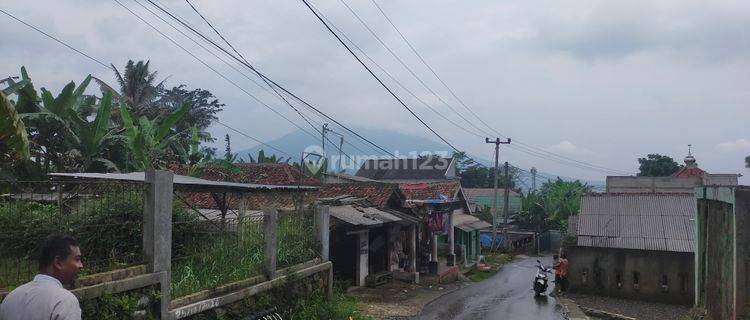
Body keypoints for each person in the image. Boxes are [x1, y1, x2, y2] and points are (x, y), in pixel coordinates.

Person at [0, 234, 84, 320]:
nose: (81, 265)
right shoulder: (64, 301)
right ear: (58, 262)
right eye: (77, 259)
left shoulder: (10, 299)